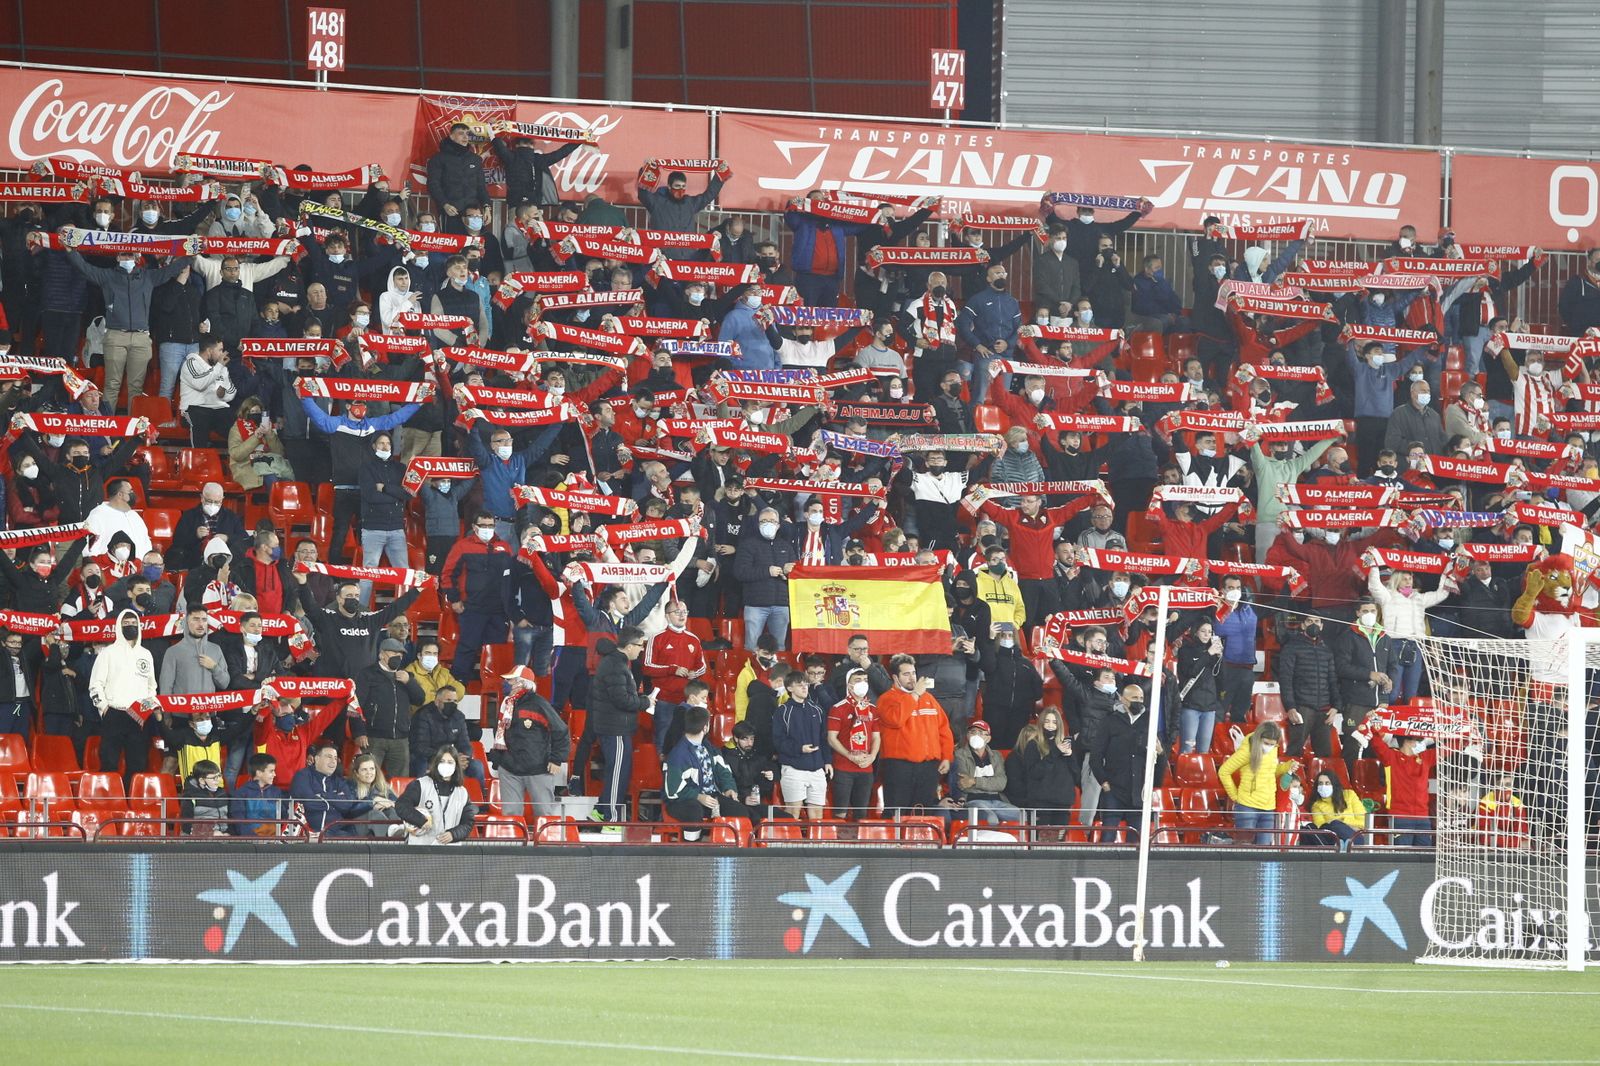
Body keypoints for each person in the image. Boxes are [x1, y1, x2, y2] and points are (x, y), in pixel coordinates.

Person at [66, 248, 191, 410]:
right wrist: (70, 251)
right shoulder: (108, 276)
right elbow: (84, 268)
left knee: (136, 388)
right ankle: (107, 429)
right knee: (112, 385)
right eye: (124, 254)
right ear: (117, 257)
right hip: (115, 336)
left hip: (141, 338)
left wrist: (192, 254)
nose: (127, 257)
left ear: (137, 256)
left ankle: (134, 431)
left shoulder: (148, 276)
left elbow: (171, 270)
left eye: (130, 254)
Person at [589, 626, 654, 823]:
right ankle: (612, 820)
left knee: (617, 771)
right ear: (628, 646)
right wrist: (646, 702)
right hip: (614, 729)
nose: (641, 650)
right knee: (618, 773)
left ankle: (600, 811)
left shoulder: (618, 663)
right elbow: (622, 700)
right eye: (640, 646)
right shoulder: (615, 666)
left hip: (618, 727)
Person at [876, 654, 953, 814]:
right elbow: (896, 719)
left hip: (928, 766)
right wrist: (915, 695)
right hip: (899, 766)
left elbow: (943, 729)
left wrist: (946, 756)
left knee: (922, 812)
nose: (912, 678)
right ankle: (895, 840)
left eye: (913, 673)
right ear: (895, 677)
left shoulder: (929, 699)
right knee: (897, 811)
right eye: (906, 674)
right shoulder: (886, 699)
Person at [89, 607, 158, 786]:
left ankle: (131, 803)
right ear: (119, 626)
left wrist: (147, 707)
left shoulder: (146, 654)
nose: (130, 626)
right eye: (126, 623)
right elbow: (95, 685)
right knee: (109, 762)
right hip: (114, 713)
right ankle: (110, 802)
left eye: (134, 623)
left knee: (138, 763)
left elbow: (152, 686)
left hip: (139, 716)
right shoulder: (108, 653)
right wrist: (104, 709)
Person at [1366, 564, 1453, 702]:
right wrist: (1374, 564)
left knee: (1411, 695)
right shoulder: (1388, 596)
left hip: (1416, 646)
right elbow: (1374, 586)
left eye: (1410, 578)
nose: (1408, 581)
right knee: (1392, 693)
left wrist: (1447, 573)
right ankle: (1387, 719)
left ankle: (1407, 720)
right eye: (1404, 579)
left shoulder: (1419, 598)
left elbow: (1442, 593)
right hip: (1394, 644)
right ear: (1397, 580)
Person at [490, 668, 569, 820]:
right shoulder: (505, 704)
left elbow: (561, 730)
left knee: (543, 815)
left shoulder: (539, 704)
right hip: (509, 768)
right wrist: (499, 759)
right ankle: (513, 844)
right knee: (510, 816)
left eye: (510, 680)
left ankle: (544, 844)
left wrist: (556, 759)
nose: (506, 683)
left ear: (521, 683)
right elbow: (500, 733)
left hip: (538, 768)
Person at [663, 705, 751, 838]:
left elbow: (723, 770)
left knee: (739, 810)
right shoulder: (678, 754)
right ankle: (692, 848)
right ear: (705, 727)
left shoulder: (709, 747)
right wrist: (698, 796)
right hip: (681, 801)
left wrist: (729, 788)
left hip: (710, 796)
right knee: (694, 811)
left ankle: (726, 846)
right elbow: (672, 791)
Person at [354, 638, 427, 779]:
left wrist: (409, 682)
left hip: (400, 739)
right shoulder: (367, 674)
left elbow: (420, 699)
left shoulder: (406, 676)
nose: (397, 658)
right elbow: (355, 705)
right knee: (369, 779)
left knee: (399, 781)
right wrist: (359, 732)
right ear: (382, 655)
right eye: (393, 653)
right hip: (373, 738)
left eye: (400, 655)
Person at [1218, 722, 1299, 846]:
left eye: (1272, 744)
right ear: (1258, 738)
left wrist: (1287, 766)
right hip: (1247, 807)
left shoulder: (1274, 749)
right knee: (1245, 850)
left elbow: (1272, 771)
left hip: (1269, 807)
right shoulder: (1247, 751)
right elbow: (1224, 771)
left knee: (1265, 851)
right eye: (1266, 743)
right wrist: (1235, 796)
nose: (1269, 747)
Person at [1359, 726, 1437, 846]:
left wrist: (1465, 736)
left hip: (1423, 818)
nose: (1421, 744)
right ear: (1409, 742)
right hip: (1400, 817)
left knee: (1424, 859)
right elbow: (1376, 740)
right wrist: (1375, 721)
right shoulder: (1391, 757)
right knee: (1402, 858)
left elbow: (1449, 748)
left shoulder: (1425, 758)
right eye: (1418, 740)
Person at [773, 669, 830, 820]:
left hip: (817, 768)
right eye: (800, 685)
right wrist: (799, 749)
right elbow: (778, 741)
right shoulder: (782, 711)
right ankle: (791, 844)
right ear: (789, 688)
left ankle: (816, 844)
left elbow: (824, 738)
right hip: (793, 769)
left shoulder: (818, 710)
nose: (805, 687)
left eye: (806, 684)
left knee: (817, 816)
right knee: (792, 813)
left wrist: (828, 761)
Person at [825, 667, 880, 822]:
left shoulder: (872, 709)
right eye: (858, 680)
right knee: (840, 812)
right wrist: (849, 755)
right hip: (843, 767)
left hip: (865, 767)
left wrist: (872, 757)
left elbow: (876, 737)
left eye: (865, 680)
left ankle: (859, 844)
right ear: (849, 685)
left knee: (861, 813)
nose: (863, 683)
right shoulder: (838, 708)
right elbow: (831, 739)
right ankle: (838, 844)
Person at [395, 746, 479, 844]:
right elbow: (401, 805)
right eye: (442, 761)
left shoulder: (462, 793)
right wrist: (420, 820)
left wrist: (453, 834)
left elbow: (468, 823)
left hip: (449, 852)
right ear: (436, 763)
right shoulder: (420, 784)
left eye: (450, 762)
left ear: (456, 766)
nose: (446, 765)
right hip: (420, 849)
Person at [290, 741, 373, 836]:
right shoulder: (303, 775)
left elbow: (347, 805)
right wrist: (334, 802)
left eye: (335, 758)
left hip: (337, 830)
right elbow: (309, 803)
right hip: (308, 832)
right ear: (317, 759)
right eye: (329, 757)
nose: (333, 761)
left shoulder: (338, 780)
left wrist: (324, 795)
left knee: (372, 823)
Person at [1016, 707, 1076, 831]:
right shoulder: (1033, 745)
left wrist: (1070, 756)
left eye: (1054, 722)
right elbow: (1035, 772)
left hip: (1062, 804)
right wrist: (1055, 752)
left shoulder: (1065, 746)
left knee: (1058, 845)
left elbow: (1076, 775)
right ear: (1041, 723)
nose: (1050, 725)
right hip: (1042, 804)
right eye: (1047, 721)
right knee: (1042, 844)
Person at [953, 720, 1022, 825]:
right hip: (974, 800)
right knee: (991, 818)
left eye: (980, 733)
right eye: (973, 732)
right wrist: (989, 783)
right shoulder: (960, 755)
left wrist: (975, 781)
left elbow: (1001, 783)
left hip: (998, 801)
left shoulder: (996, 756)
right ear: (967, 735)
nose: (976, 735)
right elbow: (963, 783)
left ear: (988, 738)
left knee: (1022, 815)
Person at [1175, 619, 1224, 754]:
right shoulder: (1186, 650)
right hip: (1191, 705)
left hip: (1209, 707)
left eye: (1209, 632)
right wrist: (1208, 654)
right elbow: (1191, 672)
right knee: (1187, 749)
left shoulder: (1213, 652)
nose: (1206, 635)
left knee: (1204, 750)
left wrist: (1220, 657)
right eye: (1203, 631)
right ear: (1196, 632)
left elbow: (1221, 678)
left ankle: (1200, 774)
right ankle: (1183, 773)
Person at [1304, 769, 1366, 850]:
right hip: (1333, 838)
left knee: (1335, 824)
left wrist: (1342, 822)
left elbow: (1364, 822)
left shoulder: (1349, 795)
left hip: (1355, 837)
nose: (1323, 786)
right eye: (1320, 783)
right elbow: (1322, 828)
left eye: (1327, 783)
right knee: (1312, 828)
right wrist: (1351, 825)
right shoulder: (1316, 805)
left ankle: (1343, 845)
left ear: (1334, 784)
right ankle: (1340, 846)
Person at [344, 752, 400, 838]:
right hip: (356, 826)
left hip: (376, 827)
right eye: (364, 770)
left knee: (392, 811)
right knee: (374, 814)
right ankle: (388, 843)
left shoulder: (382, 786)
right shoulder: (349, 786)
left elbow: (399, 803)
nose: (369, 772)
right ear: (356, 773)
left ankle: (398, 837)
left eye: (372, 769)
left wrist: (390, 803)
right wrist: (372, 802)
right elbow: (348, 810)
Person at [231, 753, 288, 837]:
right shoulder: (241, 793)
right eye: (271, 771)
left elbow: (284, 818)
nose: (274, 774)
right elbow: (239, 822)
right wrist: (254, 839)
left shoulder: (276, 792)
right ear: (259, 773)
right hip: (251, 843)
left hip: (275, 842)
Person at [179, 760, 231, 836]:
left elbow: (230, 817)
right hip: (198, 839)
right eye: (213, 778)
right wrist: (209, 833)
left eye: (219, 776)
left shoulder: (222, 793)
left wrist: (229, 832)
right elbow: (186, 826)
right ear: (202, 780)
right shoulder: (190, 796)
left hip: (222, 836)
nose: (218, 780)